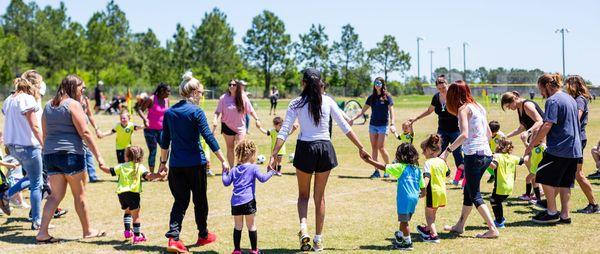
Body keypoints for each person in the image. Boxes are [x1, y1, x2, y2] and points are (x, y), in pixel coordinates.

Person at [268, 68, 369, 252]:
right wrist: (361, 147)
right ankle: (318, 240)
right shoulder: (328, 101)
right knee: (319, 197)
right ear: (319, 83)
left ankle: (304, 227)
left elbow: (283, 131)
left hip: (305, 149)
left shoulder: (295, 103)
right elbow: (345, 127)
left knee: (303, 196)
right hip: (325, 149)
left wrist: (274, 153)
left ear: (304, 83)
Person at [158, 72, 229, 253]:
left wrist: (162, 163)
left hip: (175, 165)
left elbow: (165, 141)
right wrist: (223, 159)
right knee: (200, 200)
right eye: (201, 92)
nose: (202, 95)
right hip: (195, 164)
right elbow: (208, 137)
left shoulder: (170, 112)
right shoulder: (196, 111)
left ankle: (173, 239)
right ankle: (203, 235)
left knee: (180, 201)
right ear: (195, 92)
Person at [36, 74, 109, 243]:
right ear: (72, 87)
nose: (83, 91)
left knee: (55, 196)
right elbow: (84, 132)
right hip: (70, 154)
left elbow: (45, 134)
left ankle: (42, 233)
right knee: (80, 195)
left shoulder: (48, 105)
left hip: (50, 155)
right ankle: (88, 231)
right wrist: (99, 157)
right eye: (81, 88)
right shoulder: (73, 105)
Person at [440, 80, 499, 238]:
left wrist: (447, 151)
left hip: (474, 155)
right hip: (485, 154)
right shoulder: (479, 106)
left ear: (454, 95)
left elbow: (464, 134)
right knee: (468, 191)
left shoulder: (463, 109)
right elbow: (488, 134)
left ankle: (492, 229)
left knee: (475, 195)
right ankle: (460, 226)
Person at [525, 74, 582, 224]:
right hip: (574, 148)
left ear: (547, 86)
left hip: (559, 148)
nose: (541, 93)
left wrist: (534, 143)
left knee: (542, 174)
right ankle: (565, 215)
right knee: (564, 182)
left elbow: (548, 124)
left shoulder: (553, 100)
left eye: (541, 89)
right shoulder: (570, 98)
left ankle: (551, 212)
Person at [363, 143, 424, 250]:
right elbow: (423, 187)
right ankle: (400, 236)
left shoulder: (400, 167)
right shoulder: (417, 169)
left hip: (404, 199)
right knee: (404, 220)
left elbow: (384, 167)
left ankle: (408, 243)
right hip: (414, 198)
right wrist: (423, 193)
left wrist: (369, 161)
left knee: (404, 222)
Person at [0, 78, 44, 225]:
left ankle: (6, 194)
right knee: (37, 183)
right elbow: (34, 126)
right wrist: (44, 144)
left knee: (32, 178)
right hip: (28, 147)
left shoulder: (7, 100)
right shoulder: (27, 99)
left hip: (13, 147)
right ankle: (37, 221)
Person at [406, 75, 464, 185]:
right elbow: (429, 111)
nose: (442, 90)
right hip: (442, 130)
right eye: (440, 88)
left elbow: (462, 110)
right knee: (437, 151)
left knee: (457, 153)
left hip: (455, 130)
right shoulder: (436, 97)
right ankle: (443, 172)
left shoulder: (454, 96)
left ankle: (461, 178)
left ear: (448, 85)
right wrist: (416, 118)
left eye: (444, 88)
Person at [99, 146, 163, 244]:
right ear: (140, 157)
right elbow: (149, 176)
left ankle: (128, 232)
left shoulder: (122, 166)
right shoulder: (139, 167)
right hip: (133, 194)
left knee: (127, 211)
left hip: (121, 194)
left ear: (126, 156)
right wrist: (159, 175)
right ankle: (137, 236)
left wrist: (101, 165)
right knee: (136, 216)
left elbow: (109, 170)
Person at [222, 140, 274, 254]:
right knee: (251, 226)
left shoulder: (234, 169)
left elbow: (226, 182)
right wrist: (271, 172)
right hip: (248, 201)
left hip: (235, 202)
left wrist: (224, 172)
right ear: (251, 154)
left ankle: (236, 250)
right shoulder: (253, 167)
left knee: (238, 226)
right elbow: (263, 179)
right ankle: (254, 250)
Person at [500, 91, 545, 202]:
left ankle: (540, 191)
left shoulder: (527, 105)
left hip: (542, 138)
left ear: (514, 99)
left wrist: (528, 132)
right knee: (529, 162)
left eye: (509, 106)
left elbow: (540, 120)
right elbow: (521, 128)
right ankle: (537, 191)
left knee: (533, 163)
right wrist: (506, 136)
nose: (509, 108)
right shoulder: (519, 108)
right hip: (534, 137)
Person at [564, 75, 599, 214]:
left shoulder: (579, 100)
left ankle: (594, 205)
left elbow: (575, 120)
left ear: (573, 85)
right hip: (576, 139)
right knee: (571, 173)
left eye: (567, 84)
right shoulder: (577, 99)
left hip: (577, 139)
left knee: (578, 174)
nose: (565, 87)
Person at [349, 77, 396, 179]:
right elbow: (362, 111)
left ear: (382, 85)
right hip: (373, 126)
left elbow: (392, 111)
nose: (377, 84)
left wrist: (392, 124)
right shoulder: (371, 97)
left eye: (379, 83)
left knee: (381, 148)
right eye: (376, 83)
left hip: (383, 126)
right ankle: (376, 171)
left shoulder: (387, 97)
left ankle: (388, 169)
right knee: (374, 148)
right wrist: (353, 119)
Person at [213, 80, 262, 167]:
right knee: (230, 148)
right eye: (230, 84)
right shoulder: (223, 98)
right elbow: (217, 111)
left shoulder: (243, 97)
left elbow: (251, 110)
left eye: (234, 85)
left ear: (237, 86)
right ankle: (232, 169)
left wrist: (257, 119)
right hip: (227, 126)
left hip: (240, 127)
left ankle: (240, 166)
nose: (232, 86)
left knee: (241, 148)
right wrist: (215, 119)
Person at [415, 134, 449, 244]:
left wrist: (422, 189)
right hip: (442, 192)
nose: (422, 153)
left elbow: (427, 178)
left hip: (432, 192)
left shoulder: (428, 163)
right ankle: (428, 229)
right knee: (433, 213)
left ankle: (433, 235)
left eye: (424, 150)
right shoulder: (441, 161)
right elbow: (448, 174)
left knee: (428, 214)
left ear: (430, 150)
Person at [487, 138, 526, 228]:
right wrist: (528, 149)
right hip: (510, 186)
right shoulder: (513, 158)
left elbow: (493, 166)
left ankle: (500, 221)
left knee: (494, 201)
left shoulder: (497, 156)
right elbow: (524, 160)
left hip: (501, 185)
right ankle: (500, 218)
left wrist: (486, 159)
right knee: (497, 201)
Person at [136, 83, 171, 173]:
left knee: (166, 150)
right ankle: (151, 174)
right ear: (162, 91)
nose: (169, 93)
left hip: (162, 130)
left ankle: (160, 171)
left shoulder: (167, 100)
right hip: (150, 130)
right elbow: (139, 109)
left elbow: (168, 113)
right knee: (153, 151)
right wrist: (145, 119)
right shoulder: (151, 99)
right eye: (168, 91)